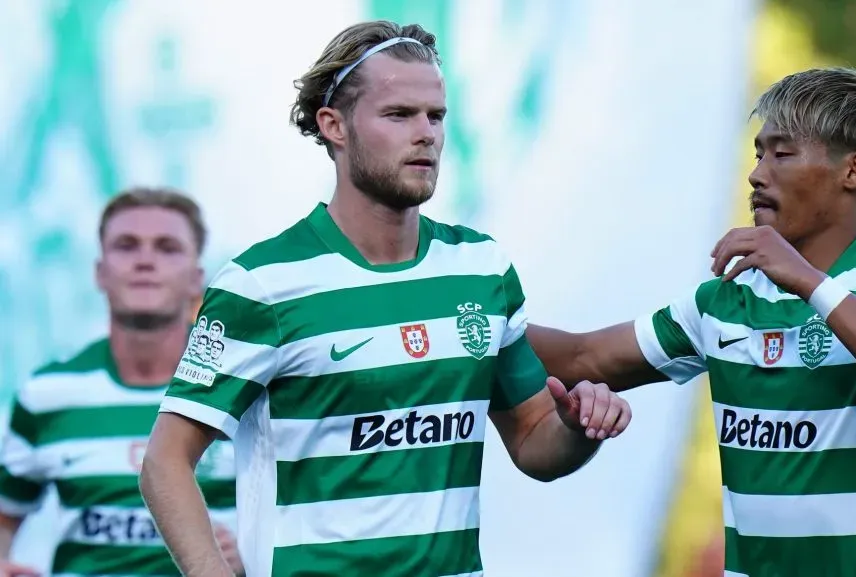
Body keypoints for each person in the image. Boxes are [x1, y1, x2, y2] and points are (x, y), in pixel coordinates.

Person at [139, 20, 632, 577]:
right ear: (335, 126)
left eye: (436, 116)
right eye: (399, 115)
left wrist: (577, 428)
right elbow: (165, 461)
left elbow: (533, 439)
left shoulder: (482, 268)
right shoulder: (261, 284)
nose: (426, 134)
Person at [527, 67, 856, 577]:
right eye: (760, 153)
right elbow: (584, 357)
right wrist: (464, 318)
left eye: (782, 153)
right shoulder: (725, 301)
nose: (757, 173)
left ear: (855, 170)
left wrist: (809, 282)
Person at [0, 188, 241, 576]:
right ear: (99, 272)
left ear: (198, 278)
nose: (145, 260)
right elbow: (5, 516)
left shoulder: (246, 388)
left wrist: (252, 550)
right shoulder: (47, 394)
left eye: (167, 248)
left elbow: (313, 512)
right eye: (127, 246)